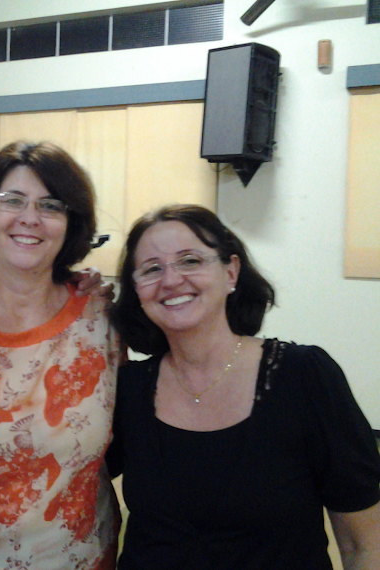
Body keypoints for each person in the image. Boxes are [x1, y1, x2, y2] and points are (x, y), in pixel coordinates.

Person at [106, 204, 380, 570]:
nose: (170, 280)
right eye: (152, 269)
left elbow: (364, 544)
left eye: (190, 261)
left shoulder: (303, 377)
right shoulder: (129, 391)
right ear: (137, 290)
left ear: (231, 271)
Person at [0, 141, 122, 570]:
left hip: (86, 557)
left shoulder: (100, 317)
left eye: (51, 205)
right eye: (12, 200)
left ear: (71, 222)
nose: (30, 218)